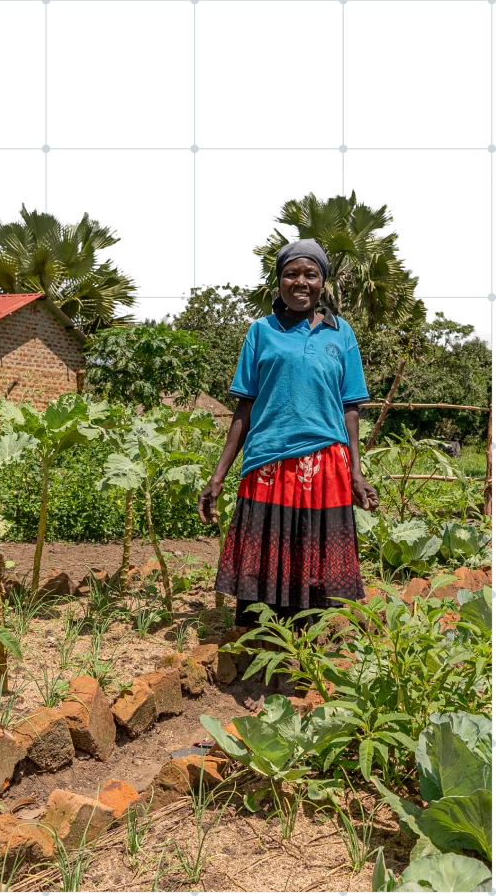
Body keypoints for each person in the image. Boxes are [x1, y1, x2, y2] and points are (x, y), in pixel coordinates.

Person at [197, 238, 379, 710]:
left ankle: (304, 669)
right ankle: (263, 674)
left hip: (325, 467)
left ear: (323, 282)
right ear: (279, 280)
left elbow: (351, 411)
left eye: (311, 274)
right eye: (292, 273)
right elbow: (244, 407)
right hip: (268, 463)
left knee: (313, 570)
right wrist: (219, 475)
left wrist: (358, 473)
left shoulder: (342, 335)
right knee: (266, 572)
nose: (301, 282)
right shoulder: (261, 332)